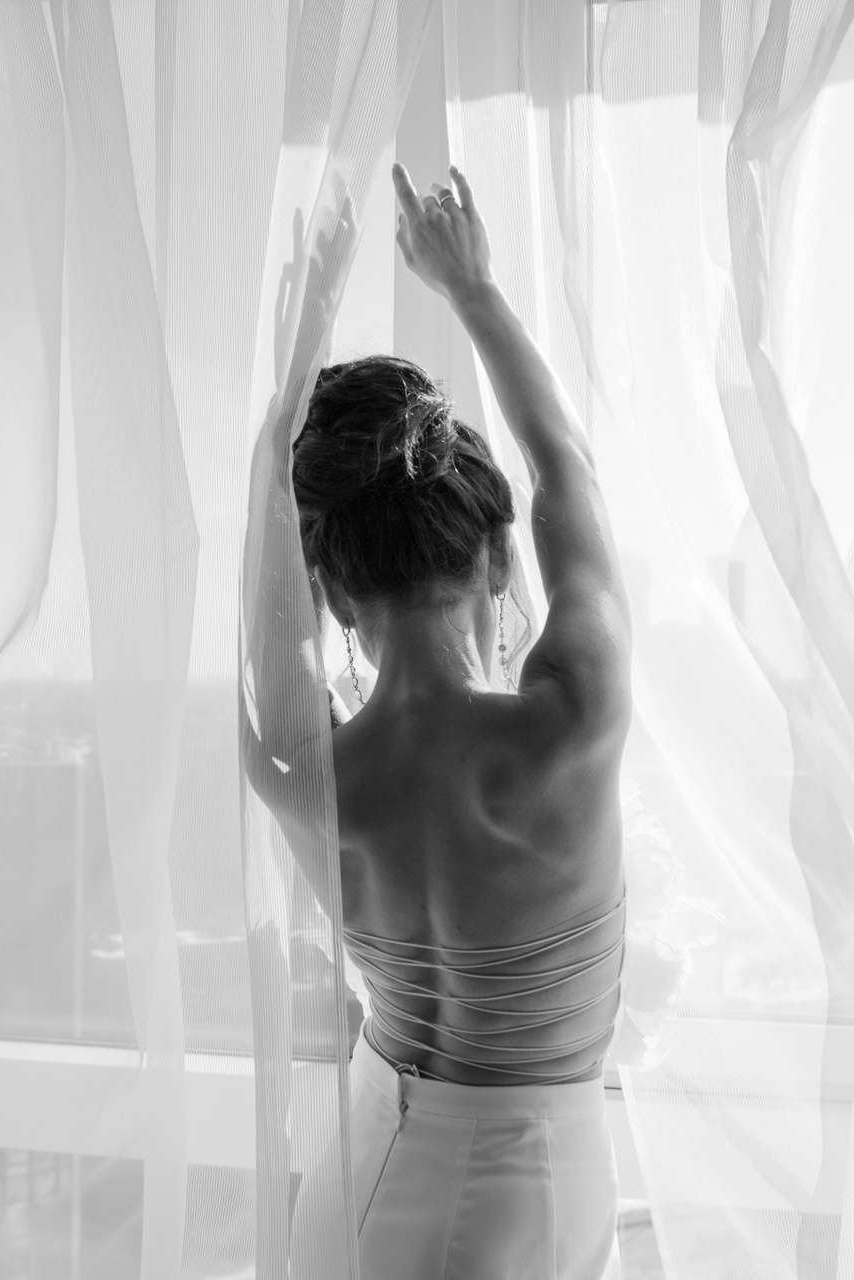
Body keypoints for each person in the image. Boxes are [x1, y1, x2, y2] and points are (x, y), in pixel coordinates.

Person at [248, 163, 631, 1280]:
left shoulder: (300, 767)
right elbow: (566, 466)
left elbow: (273, 521)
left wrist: (292, 382)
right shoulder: (574, 719)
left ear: (332, 593)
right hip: (528, 1193)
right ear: (501, 555)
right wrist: (471, 286)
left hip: (362, 1161)